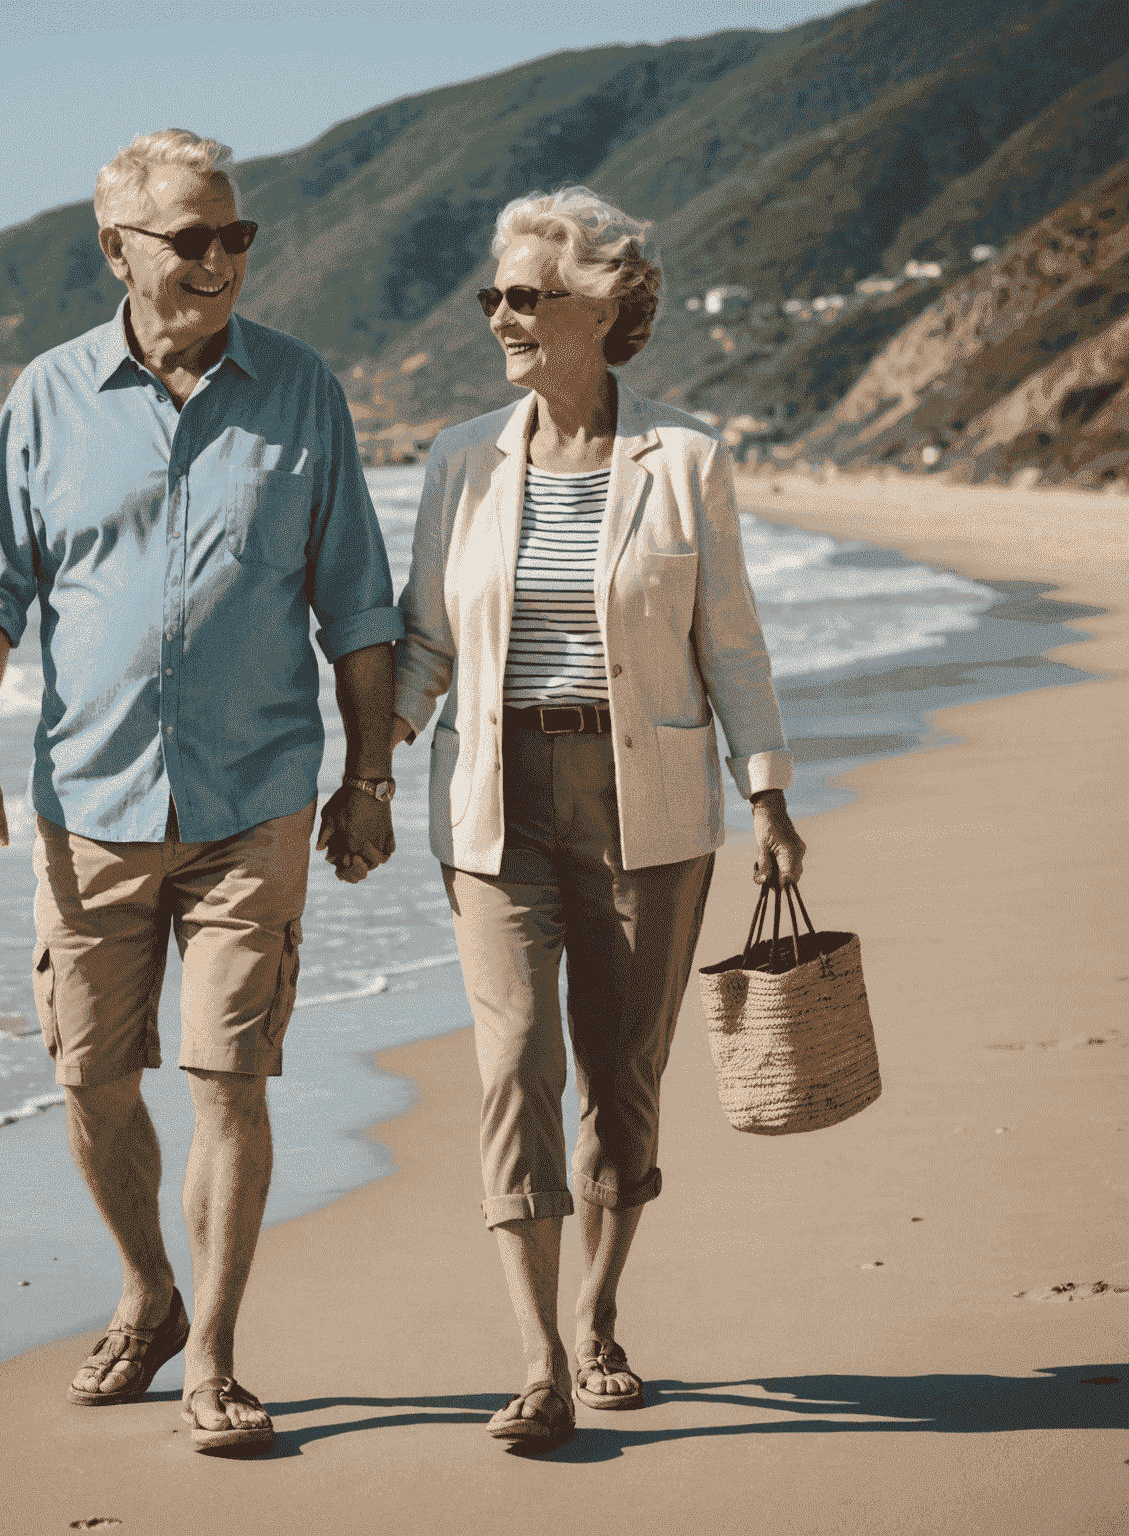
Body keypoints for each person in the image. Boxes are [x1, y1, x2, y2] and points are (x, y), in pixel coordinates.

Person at [0, 128, 402, 1454]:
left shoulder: (304, 393)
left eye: (235, 235)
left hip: (256, 804)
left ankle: (214, 1355)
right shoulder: (44, 401)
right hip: (87, 807)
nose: (217, 259)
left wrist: (369, 778)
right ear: (119, 251)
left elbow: (358, 609)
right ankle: (147, 1288)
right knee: (90, 1079)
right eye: (190, 237)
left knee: (230, 1082)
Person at [392, 187, 806, 1450]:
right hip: (496, 803)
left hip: (653, 809)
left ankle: (599, 1315)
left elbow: (728, 640)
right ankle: (535, 1362)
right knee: (514, 1066)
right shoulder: (461, 459)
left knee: (621, 1084)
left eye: (529, 296)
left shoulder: (684, 458)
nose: (504, 318)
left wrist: (770, 790)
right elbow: (422, 642)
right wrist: (367, 759)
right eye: (495, 297)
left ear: (603, 304)